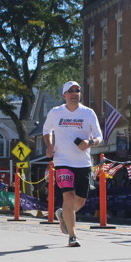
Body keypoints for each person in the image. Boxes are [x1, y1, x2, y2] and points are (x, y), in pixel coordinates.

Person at [42, 81, 103, 247]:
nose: (75, 93)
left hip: (83, 163)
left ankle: (63, 215)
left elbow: (99, 136)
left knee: (80, 201)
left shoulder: (88, 113)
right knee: (68, 196)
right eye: (71, 91)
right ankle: (72, 235)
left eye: (77, 90)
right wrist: (49, 145)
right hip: (62, 161)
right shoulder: (55, 112)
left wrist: (90, 142)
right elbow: (46, 130)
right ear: (64, 95)